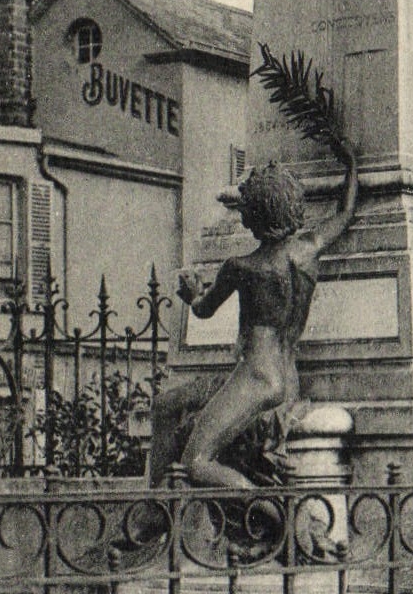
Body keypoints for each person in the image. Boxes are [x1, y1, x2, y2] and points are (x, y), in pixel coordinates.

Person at [149, 137, 359, 491]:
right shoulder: (309, 250)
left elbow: (203, 309)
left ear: (255, 216)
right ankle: (156, 507)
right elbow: (344, 212)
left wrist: (190, 294)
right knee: (167, 406)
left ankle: (277, 513)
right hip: (286, 379)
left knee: (196, 461)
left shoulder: (241, 267)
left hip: (253, 377)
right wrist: (351, 163)